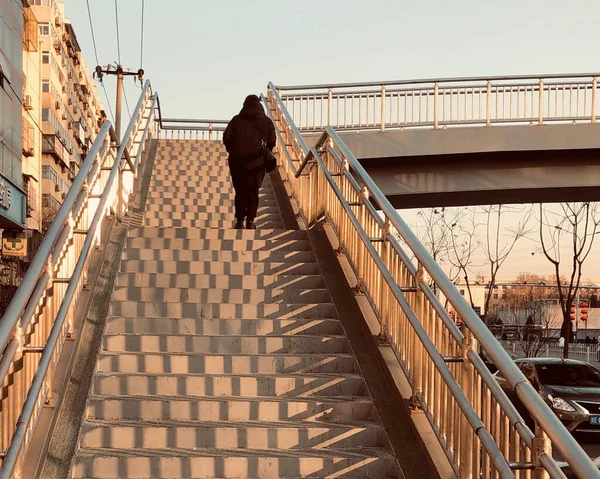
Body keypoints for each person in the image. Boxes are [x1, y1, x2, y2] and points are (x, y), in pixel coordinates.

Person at [223, 95, 276, 229]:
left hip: (237, 162)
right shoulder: (267, 122)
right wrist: (262, 153)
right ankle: (250, 221)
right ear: (259, 106)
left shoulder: (236, 120)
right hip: (257, 163)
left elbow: (226, 138)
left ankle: (240, 221)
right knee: (253, 191)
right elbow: (272, 140)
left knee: (240, 191)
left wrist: (235, 152)